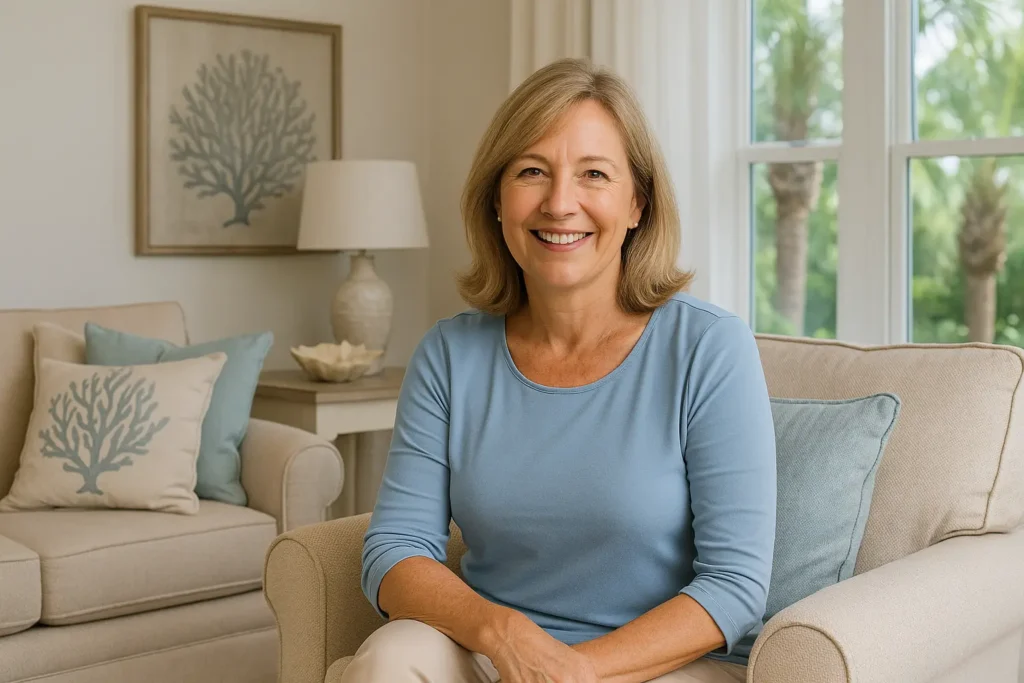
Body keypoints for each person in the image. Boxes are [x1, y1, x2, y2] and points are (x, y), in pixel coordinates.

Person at [342, 58, 777, 683]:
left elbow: (735, 585)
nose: (559, 203)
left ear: (637, 203)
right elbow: (394, 550)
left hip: (663, 666)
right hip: (500, 656)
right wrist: (505, 635)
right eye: (532, 172)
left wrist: (570, 673)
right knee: (391, 656)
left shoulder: (709, 348)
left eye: (594, 174)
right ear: (498, 200)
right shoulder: (448, 355)